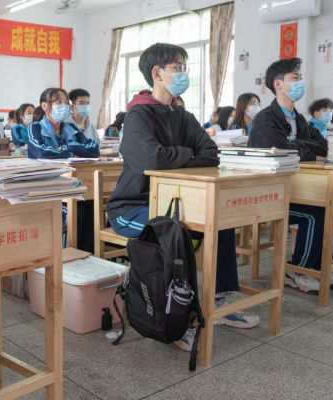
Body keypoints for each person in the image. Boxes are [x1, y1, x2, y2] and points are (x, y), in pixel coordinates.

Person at [106, 43, 260, 354]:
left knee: (219, 219)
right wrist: (188, 155)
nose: (183, 73)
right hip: (132, 207)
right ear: (157, 73)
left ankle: (219, 300)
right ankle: (174, 318)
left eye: (184, 67)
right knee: (173, 234)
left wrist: (175, 155)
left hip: (175, 204)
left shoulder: (183, 115)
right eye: (177, 67)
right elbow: (149, 159)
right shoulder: (138, 114)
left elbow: (211, 153)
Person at [248, 57, 333, 295]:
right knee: (315, 213)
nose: (300, 81)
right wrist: (301, 148)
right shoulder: (266, 118)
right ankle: (298, 271)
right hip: (267, 192)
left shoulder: (298, 118)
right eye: (295, 78)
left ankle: (319, 268)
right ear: (278, 84)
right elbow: (280, 151)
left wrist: (297, 146)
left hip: (293, 186)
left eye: (300, 77)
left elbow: (322, 147)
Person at [28, 88, 99, 252]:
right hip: (45, 187)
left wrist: (68, 147)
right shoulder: (35, 128)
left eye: (66, 102)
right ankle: (66, 255)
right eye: (58, 101)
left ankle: (86, 255)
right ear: (45, 106)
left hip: (70, 185)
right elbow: (41, 152)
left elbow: (94, 149)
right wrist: (74, 151)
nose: (64, 106)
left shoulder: (72, 129)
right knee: (76, 209)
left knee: (90, 204)